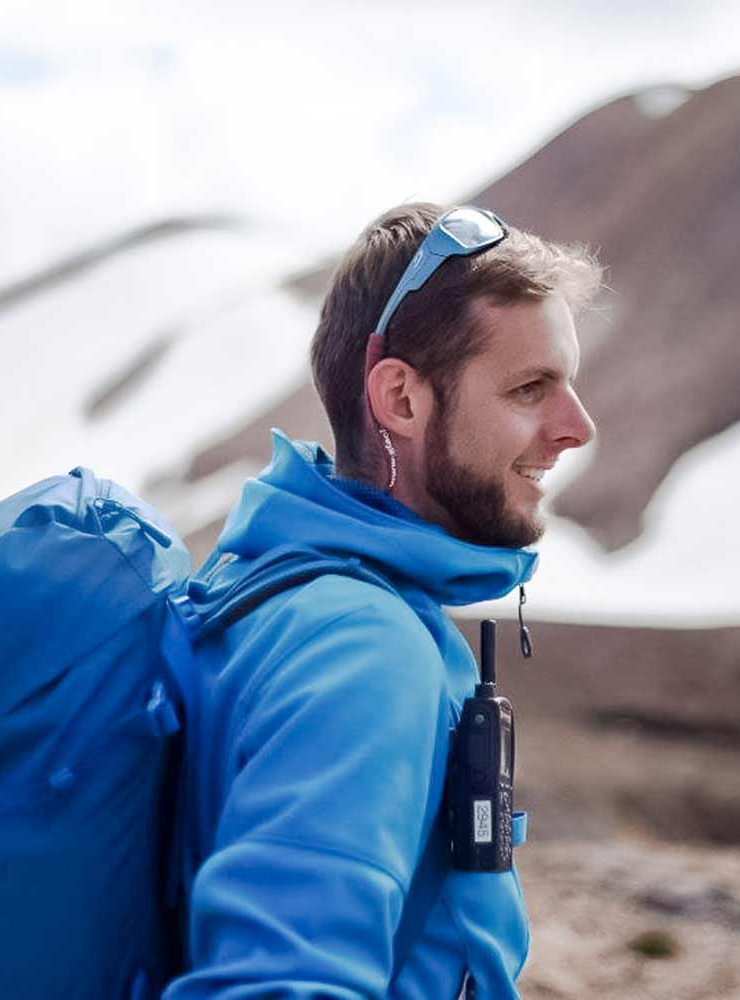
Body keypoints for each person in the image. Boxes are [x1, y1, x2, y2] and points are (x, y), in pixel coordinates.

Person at [163, 203, 601, 999]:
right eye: (531, 387)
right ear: (400, 399)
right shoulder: (365, 645)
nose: (577, 427)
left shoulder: (258, 584)